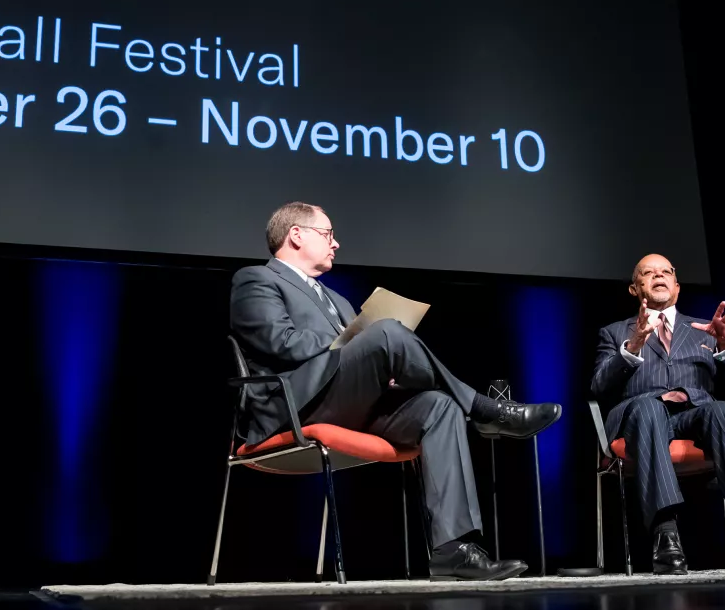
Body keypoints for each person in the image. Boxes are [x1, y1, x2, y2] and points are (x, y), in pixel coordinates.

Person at [230, 201, 562, 582]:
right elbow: (280, 342)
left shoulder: (335, 298)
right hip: (296, 406)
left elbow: (350, 359)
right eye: (328, 234)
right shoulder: (256, 279)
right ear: (296, 235)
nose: (335, 243)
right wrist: (354, 342)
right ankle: (486, 410)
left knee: (438, 406)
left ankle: (453, 551)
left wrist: (382, 369)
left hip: (346, 402)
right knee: (386, 331)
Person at [589, 253, 725, 574]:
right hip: (639, 418)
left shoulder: (704, 329)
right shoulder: (615, 332)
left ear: (677, 286)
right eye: (648, 272)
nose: (658, 276)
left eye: (666, 271)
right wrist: (635, 343)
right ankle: (666, 540)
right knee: (648, 408)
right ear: (634, 288)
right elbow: (599, 387)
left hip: (693, 417)